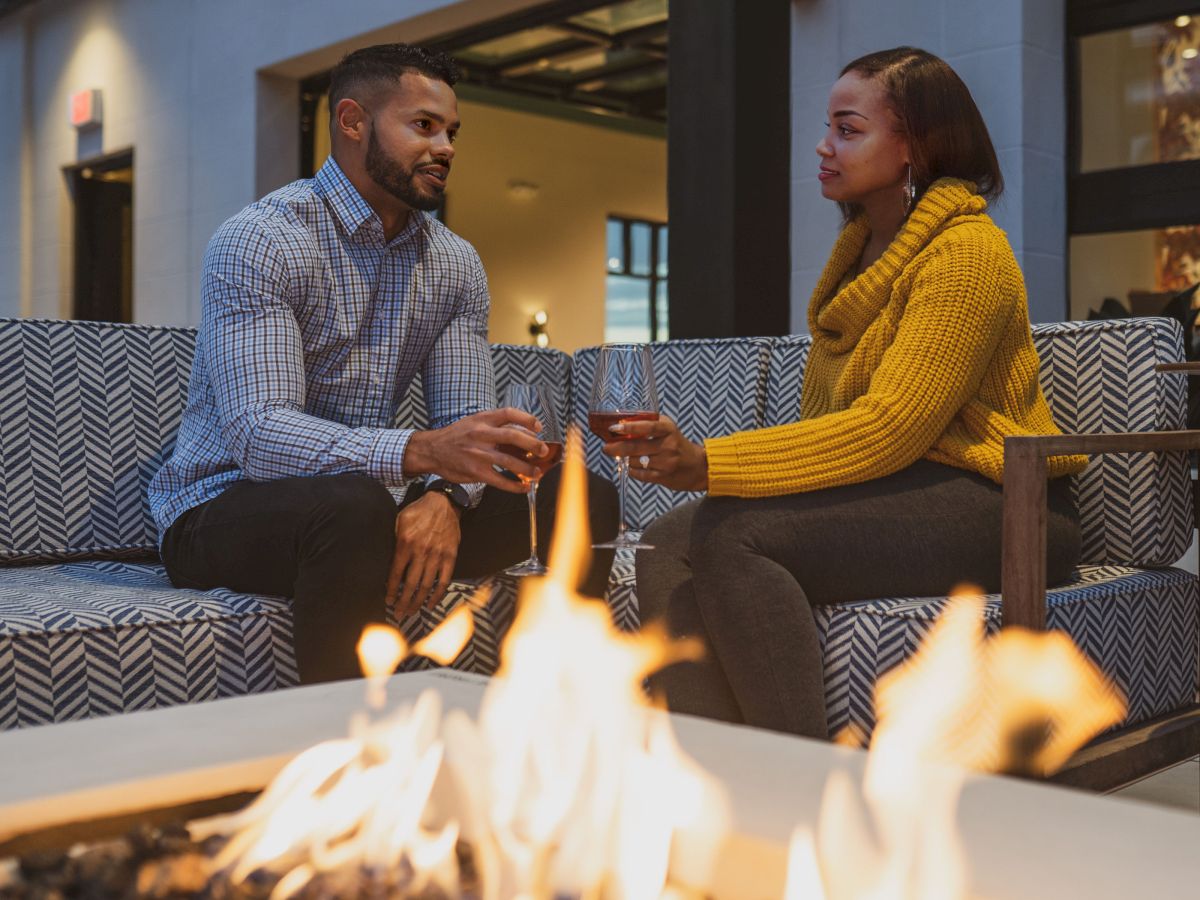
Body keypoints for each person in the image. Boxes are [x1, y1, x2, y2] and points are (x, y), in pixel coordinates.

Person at [618, 47, 1088, 739]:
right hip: (910, 489)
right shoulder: (858, 264)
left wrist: (711, 463)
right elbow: (832, 425)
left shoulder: (967, 254)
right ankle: (722, 775)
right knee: (665, 541)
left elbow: (889, 429)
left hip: (1007, 507)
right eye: (828, 126)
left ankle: (800, 785)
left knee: (735, 536)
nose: (823, 145)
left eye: (847, 128)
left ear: (913, 147)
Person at [148, 43, 616, 685]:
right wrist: (423, 456)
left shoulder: (454, 263)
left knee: (580, 495)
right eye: (423, 126)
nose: (446, 147)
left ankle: (540, 727)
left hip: (366, 505)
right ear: (352, 122)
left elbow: (465, 428)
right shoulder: (261, 239)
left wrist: (446, 497)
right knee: (354, 507)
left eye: (451, 131)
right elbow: (259, 437)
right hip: (222, 506)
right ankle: (346, 755)